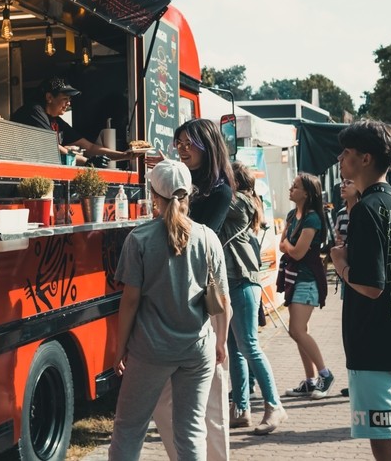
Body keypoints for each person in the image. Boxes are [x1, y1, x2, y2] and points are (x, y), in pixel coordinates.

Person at [109, 159, 230, 461]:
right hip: (197, 350)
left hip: (150, 350)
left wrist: (119, 348)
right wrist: (221, 341)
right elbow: (222, 301)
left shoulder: (139, 239)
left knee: (128, 430)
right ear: (189, 194)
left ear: (153, 195)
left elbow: (130, 302)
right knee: (190, 432)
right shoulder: (208, 238)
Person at [329, 120, 391, 461]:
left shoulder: (367, 209)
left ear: (366, 158)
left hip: (374, 341)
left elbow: (371, 285)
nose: (341, 159)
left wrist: (340, 262)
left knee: (386, 441)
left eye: (347, 152)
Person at [154, 118, 234, 460]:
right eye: (180, 143)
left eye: (189, 143)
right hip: (174, 300)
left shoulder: (220, 191)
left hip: (206, 300)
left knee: (212, 406)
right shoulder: (183, 182)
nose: (183, 148)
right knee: (167, 405)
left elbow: (198, 238)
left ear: (208, 145)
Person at [222, 162, 287, 435]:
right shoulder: (239, 201)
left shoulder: (240, 203)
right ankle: (241, 409)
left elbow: (219, 200)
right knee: (235, 349)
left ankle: (274, 406)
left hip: (242, 281)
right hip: (231, 282)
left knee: (249, 346)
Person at [278, 173, 333, 399]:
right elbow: (284, 244)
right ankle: (310, 380)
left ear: (307, 193)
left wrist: (289, 246)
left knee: (297, 330)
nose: (291, 189)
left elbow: (296, 251)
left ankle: (325, 374)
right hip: (294, 277)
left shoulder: (312, 219)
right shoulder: (293, 215)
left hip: (307, 279)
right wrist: (289, 246)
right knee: (300, 331)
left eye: (295, 186)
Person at [11, 77, 135, 166]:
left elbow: (89, 147)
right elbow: (52, 147)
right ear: (49, 97)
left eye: (69, 99)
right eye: (65, 98)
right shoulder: (34, 111)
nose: (68, 103)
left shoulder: (56, 120)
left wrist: (124, 155)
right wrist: (86, 161)